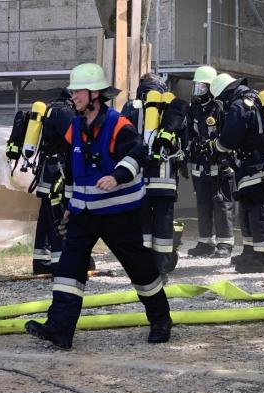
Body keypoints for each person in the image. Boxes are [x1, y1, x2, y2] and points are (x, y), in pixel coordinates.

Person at [24, 63, 172, 349]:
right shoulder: (75, 127)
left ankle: (161, 320)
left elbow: (138, 153)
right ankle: (60, 329)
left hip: (121, 213)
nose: (73, 95)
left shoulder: (119, 124)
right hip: (84, 213)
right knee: (68, 270)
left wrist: (117, 176)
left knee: (139, 268)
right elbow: (73, 168)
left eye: (77, 90)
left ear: (94, 94)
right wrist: (70, 205)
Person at [120, 73, 187, 276]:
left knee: (141, 223)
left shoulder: (130, 108)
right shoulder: (172, 107)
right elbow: (184, 140)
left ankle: (142, 267)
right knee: (163, 224)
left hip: (138, 178)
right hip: (165, 178)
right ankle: (162, 268)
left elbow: (122, 139)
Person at [210, 73, 264, 273]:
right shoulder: (251, 100)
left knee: (258, 210)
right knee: (248, 208)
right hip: (253, 164)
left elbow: (228, 140)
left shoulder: (239, 106)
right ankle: (251, 252)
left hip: (256, 165)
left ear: (224, 93)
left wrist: (214, 146)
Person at [184, 65, 236, 259]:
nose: (198, 91)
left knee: (222, 202)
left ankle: (225, 243)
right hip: (200, 163)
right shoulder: (195, 108)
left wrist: (224, 157)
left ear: (211, 87)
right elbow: (189, 132)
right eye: (196, 87)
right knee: (203, 203)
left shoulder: (222, 107)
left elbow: (228, 136)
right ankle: (205, 242)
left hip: (220, 163)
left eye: (202, 87)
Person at [31, 89, 76, 275]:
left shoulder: (50, 109)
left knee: (45, 220)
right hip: (58, 174)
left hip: (47, 174)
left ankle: (40, 261)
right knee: (58, 218)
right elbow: (75, 139)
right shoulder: (64, 112)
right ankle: (60, 264)